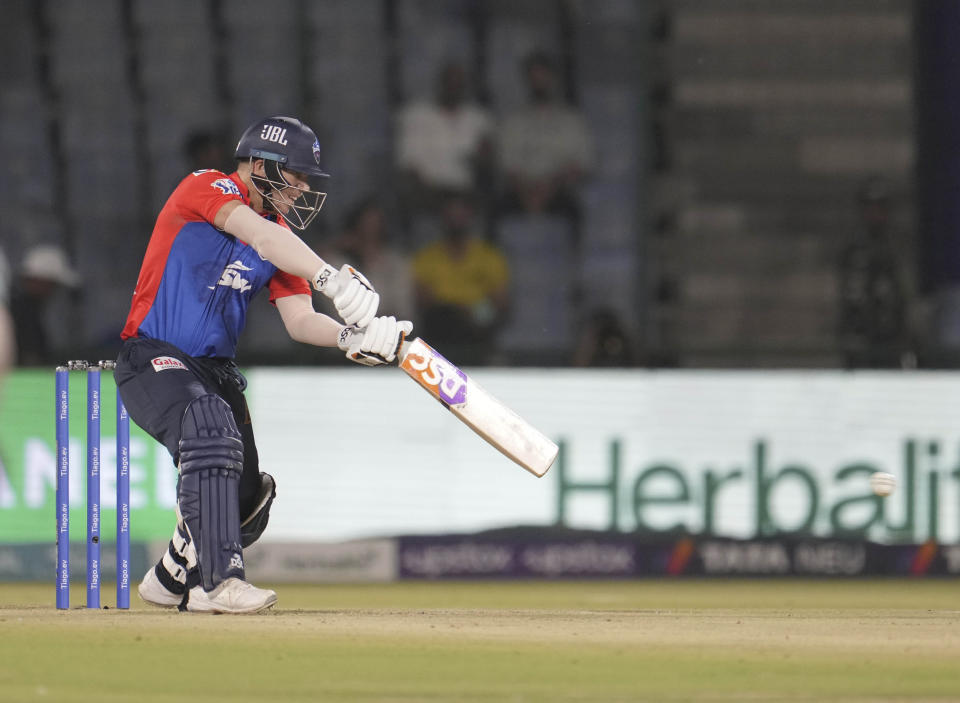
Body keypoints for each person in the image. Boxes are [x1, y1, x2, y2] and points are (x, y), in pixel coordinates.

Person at [117, 115, 412, 614]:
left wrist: (351, 337)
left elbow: (299, 320)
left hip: (213, 371)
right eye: (293, 179)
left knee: (247, 502)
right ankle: (219, 585)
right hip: (152, 355)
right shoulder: (206, 187)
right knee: (210, 430)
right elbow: (260, 237)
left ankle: (168, 578)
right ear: (258, 164)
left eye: (304, 183)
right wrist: (331, 279)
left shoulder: (281, 241)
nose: (299, 192)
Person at [412, 190, 509, 365]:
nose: (456, 220)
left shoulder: (489, 257)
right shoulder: (426, 257)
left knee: (483, 318)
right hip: (440, 327)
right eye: (451, 215)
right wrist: (458, 310)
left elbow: (500, 303)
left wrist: (472, 312)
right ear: (442, 218)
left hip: (477, 326)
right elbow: (423, 301)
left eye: (461, 214)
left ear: (471, 217)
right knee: (442, 317)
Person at [497, 50, 595, 217]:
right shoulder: (513, 121)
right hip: (522, 190)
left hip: (558, 189)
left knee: (574, 211)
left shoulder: (572, 121)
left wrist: (551, 187)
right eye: (534, 77)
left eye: (543, 76)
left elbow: (584, 162)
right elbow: (507, 165)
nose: (539, 82)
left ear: (552, 78)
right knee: (497, 209)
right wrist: (527, 193)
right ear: (527, 80)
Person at [395, 60, 495, 217]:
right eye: (450, 81)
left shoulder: (478, 118)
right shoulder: (416, 115)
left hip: (465, 193)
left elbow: (486, 159)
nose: (453, 87)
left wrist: (482, 159)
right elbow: (408, 165)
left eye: (459, 83)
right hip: (428, 192)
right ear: (440, 83)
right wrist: (432, 193)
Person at [837, 176, 914, 368]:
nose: (875, 213)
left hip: (890, 335)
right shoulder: (854, 248)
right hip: (861, 334)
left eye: (880, 208)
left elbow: (901, 292)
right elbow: (850, 291)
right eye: (870, 207)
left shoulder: (895, 246)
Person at [324, 198, 416, 321]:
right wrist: (337, 244)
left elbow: (403, 307)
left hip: (394, 327)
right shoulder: (337, 262)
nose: (370, 231)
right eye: (364, 226)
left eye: (375, 226)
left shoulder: (396, 262)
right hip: (347, 330)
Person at [9, 244, 81, 366]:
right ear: (39, 280)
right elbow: (30, 357)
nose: (54, 291)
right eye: (53, 284)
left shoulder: (27, 307)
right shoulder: (20, 311)